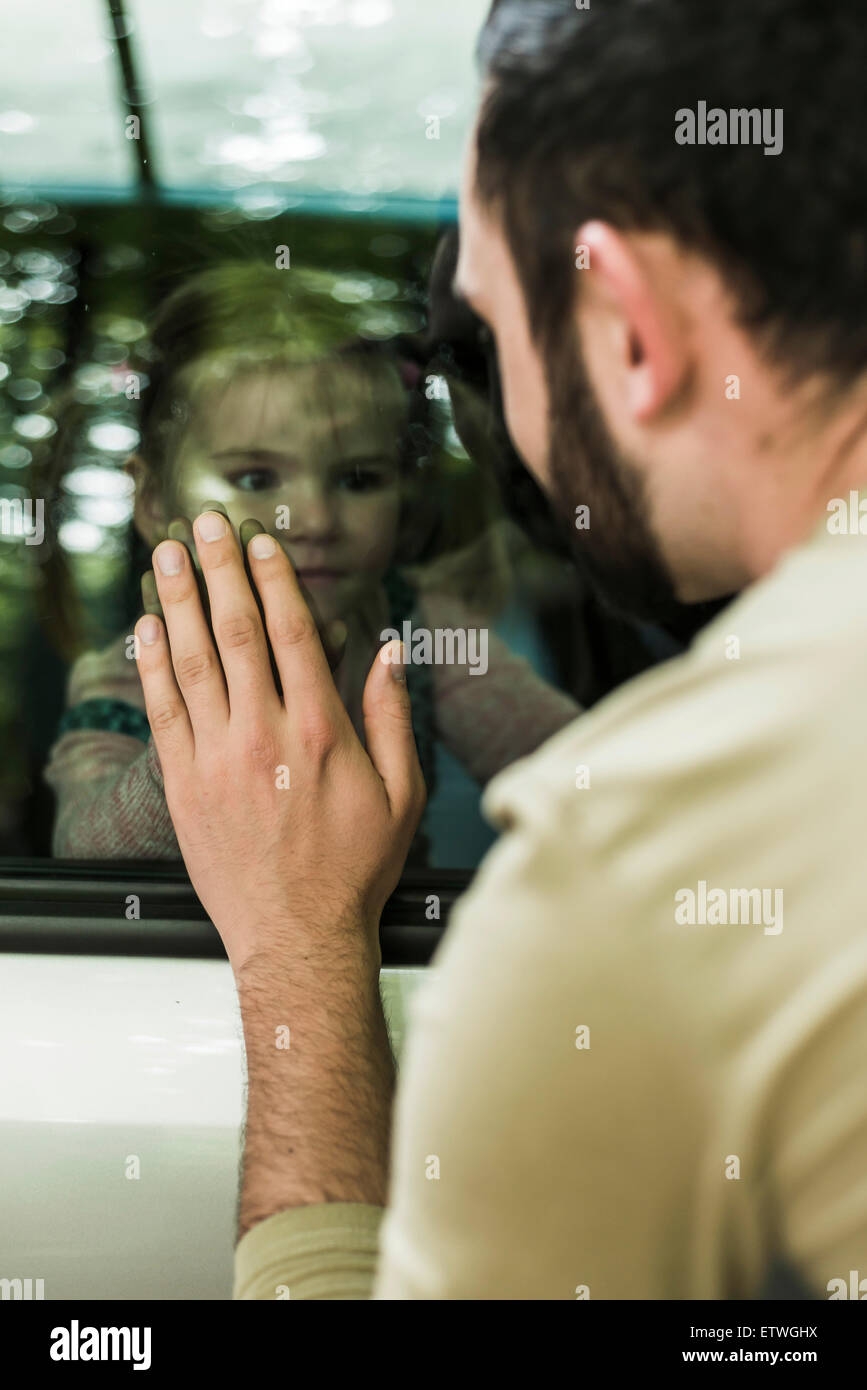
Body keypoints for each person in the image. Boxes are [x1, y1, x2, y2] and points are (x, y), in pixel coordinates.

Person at [135, 0, 867, 1298]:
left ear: (627, 327)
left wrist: (301, 943)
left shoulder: (641, 872)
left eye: (486, 328)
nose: (490, 426)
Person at [43, 263, 577, 864]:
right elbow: (88, 851)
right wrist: (206, 717)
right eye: (256, 477)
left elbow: (586, 778)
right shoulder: (133, 670)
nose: (316, 520)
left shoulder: (416, 628)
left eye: (358, 479)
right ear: (153, 502)